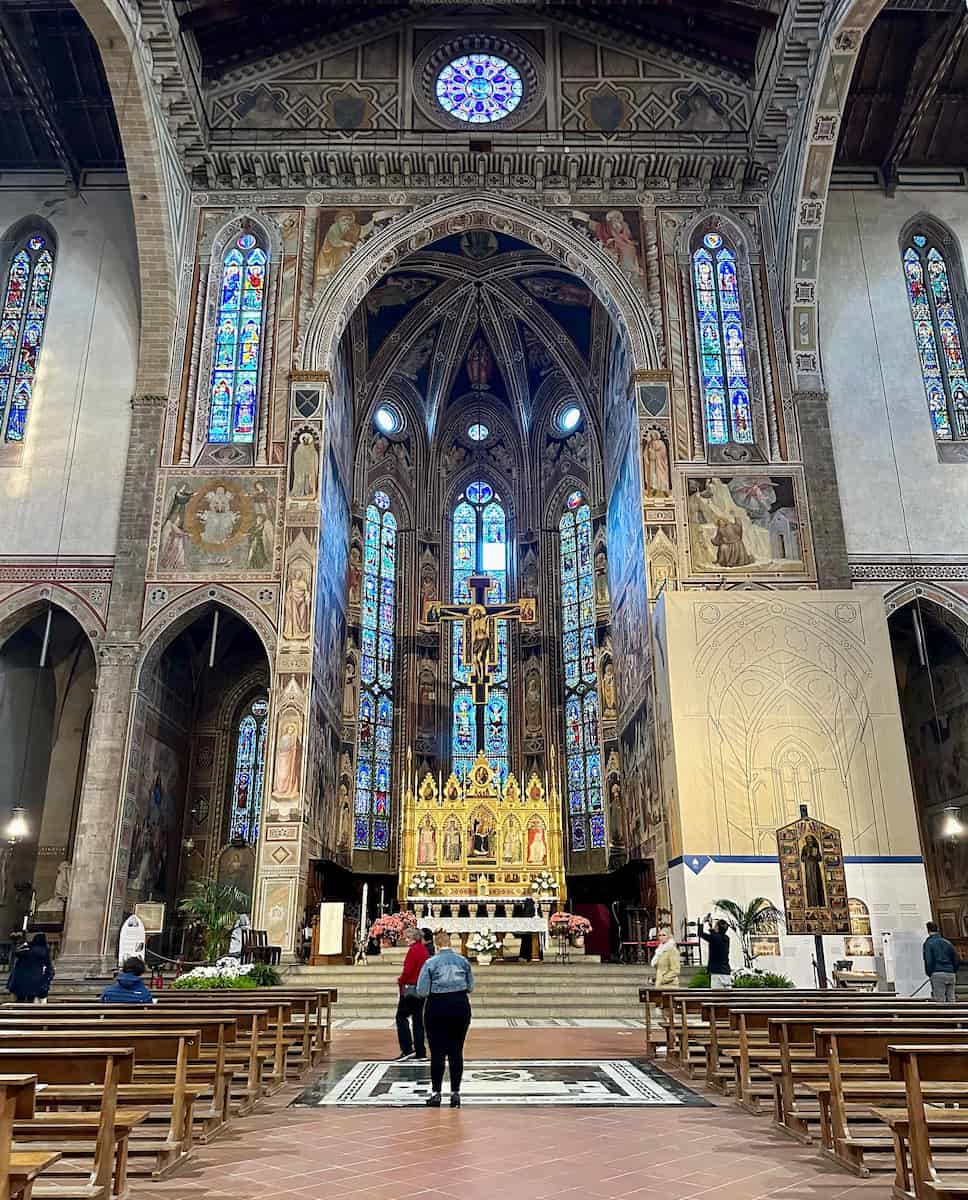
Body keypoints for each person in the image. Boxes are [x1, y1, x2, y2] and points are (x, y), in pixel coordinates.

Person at [415, 929, 475, 1107]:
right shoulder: (463, 961)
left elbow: (422, 991)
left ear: (436, 944)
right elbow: (471, 987)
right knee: (457, 1050)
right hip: (460, 1006)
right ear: (450, 943)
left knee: (438, 1052)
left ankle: (436, 1093)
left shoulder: (430, 963)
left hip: (437, 1007)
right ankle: (456, 1093)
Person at [395, 926, 430, 1061]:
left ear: (414, 938)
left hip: (410, 989)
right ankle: (420, 1052)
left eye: (408, 938)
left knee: (401, 1018)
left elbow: (408, 970)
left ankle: (407, 1049)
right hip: (421, 989)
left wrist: (401, 980)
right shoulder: (423, 950)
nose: (406, 940)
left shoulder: (413, 950)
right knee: (418, 1021)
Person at [7, 932, 54, 1003]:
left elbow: (16, 953)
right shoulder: (44, 951)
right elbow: (48, 966)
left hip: (20, 978)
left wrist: (24, 944)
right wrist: (48, 976)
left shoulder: (28, 949)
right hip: (35, 979)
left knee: (19, 1000)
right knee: (31, 1000)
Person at [923, 921, 961, 1002]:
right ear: (938, 929)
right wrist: (953, 970)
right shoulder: (947, 942)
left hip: (937, 973)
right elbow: (956, 959)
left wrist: (930, 973)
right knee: (951, 999)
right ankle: (953, 1014)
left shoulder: (928, 943)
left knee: (940, 1001)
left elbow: (928, 961)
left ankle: (943, 1015)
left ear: (928, 930)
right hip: (950, 973)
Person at [700, 917, 732, 988]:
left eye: (716, 925)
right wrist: (710, 926)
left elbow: (700, 933)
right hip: (726, 971)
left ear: (717, 928)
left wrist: (702, 922)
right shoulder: (726, 938)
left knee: (716, 996)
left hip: (716, 972)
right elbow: (716, 934)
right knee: (728, 997)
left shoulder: (714, 938)